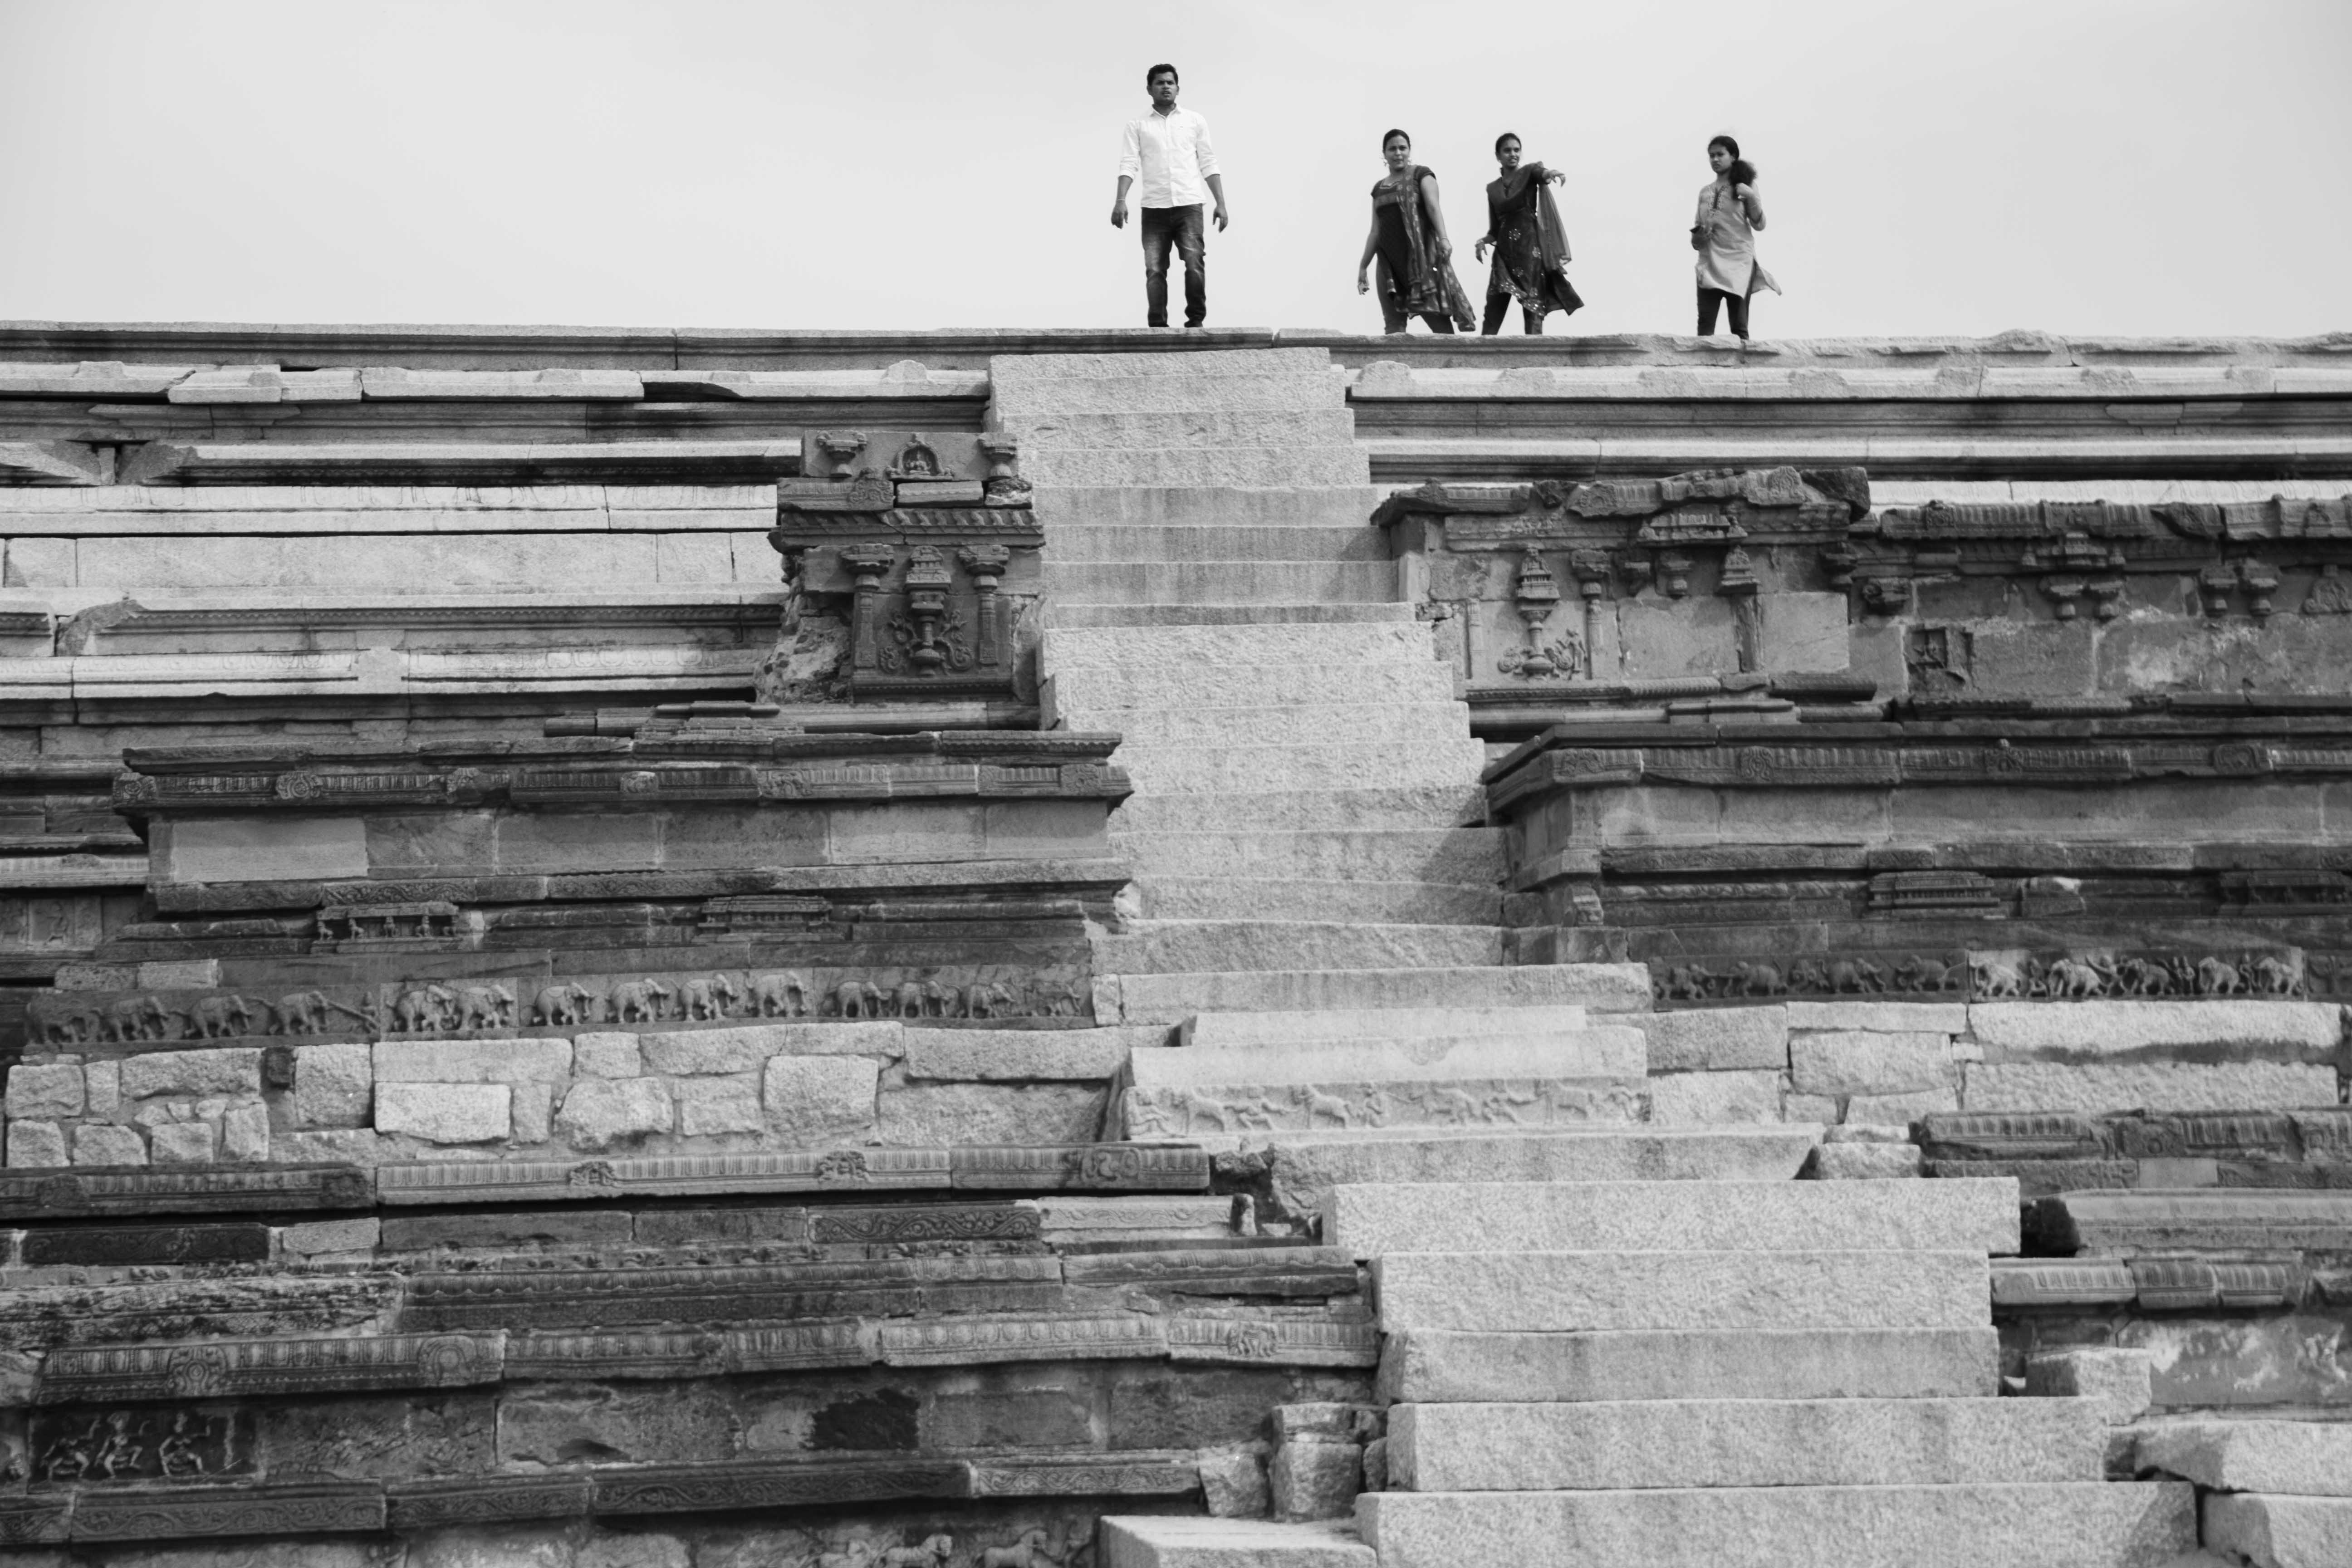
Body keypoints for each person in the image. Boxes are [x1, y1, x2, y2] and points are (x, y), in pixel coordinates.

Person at [1111, 63, 1227, 329]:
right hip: (1155, 208)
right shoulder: (1138, 125)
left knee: (1195, 262)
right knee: (1155, 269)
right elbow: (1129, 164)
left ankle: (1196, 322)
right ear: (1149, 89)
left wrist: (1221, 203)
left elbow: (1208, 162)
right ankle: (1158, 328)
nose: (1166, 87)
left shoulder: (1195, 121)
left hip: (1189, 204)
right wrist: (1120, 201)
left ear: (1178, 88)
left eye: (1170, 83)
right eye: (1160, 83)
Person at [1357, 129, 1476, 335]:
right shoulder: (1378, 189)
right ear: (1384, 154)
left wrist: (1444, 239)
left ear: (1409, 151)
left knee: (1439, 326)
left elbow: (1433, 208)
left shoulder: (1421, 175)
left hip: (1420, 262)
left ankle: (1452, 356)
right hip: (1388, 264)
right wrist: (1363, 267)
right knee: (1394, 326)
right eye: (1392, 149)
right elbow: (1375, 232)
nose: (1398, 153)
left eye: (1402, 148)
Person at [1472, 132, 1583, 336]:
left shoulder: (1529, 172)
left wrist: (1551, 173)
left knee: (1533, 308)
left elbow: (1542, 174)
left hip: (1530, 254)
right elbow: (1495, 230)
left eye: (1517, 150)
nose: (1513, 154)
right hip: (1504, 256)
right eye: (1507, 151)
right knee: (1493, 309)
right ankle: (1482, 350)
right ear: (1498, 156)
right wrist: (1483, 241)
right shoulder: (1492, 189)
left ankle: (1536, 351)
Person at [1691, 133, 1779, 340]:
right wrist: (1700, 236)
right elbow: (1695, 241)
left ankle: (1743, 362)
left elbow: (1760, 224)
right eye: (1712, 156)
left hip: (1739, 263)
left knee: (1739, 326)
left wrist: (1751, 196)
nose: (1715, 159)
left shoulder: (1745, 186)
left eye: (1720, 155)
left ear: (1733, 157)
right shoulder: (1705, 193)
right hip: (1710, 263)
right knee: (1705, 326)